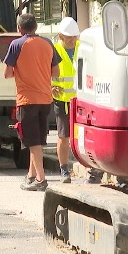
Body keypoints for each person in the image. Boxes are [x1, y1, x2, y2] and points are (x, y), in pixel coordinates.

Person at [87, 7, 128, 191]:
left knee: (112, 138)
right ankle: (118, 177)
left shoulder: (121, 40)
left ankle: (100, 174)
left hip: (115, 97)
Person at [3, 13, 61, 191]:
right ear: (36, 27)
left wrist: (21, 72)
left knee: (32, 141)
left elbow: (7, 74)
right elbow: (56, 72)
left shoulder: (16, 44)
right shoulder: (48, 43)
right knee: (37, 140)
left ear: (19, 29)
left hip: (27, 100)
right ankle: (31, 175)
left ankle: (41, 179)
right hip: (45, 99)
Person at [52, 17, 80, 183]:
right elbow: (43, 72)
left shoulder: (82, 47)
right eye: (68, 36)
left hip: (81, 100)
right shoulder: (54, 50)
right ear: (60, 36)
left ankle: (90, 168)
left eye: (74, 36)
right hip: (62, 100)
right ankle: (64, 170)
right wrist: (50, 88)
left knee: (82, 136)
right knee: (64, 136)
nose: (72, 39)